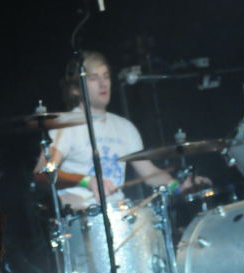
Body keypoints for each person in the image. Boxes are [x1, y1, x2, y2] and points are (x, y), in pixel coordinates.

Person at [33, 51, 210, 208]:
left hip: (119, 215)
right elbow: (42, 173)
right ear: (75, 90)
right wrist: (86, 181)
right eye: (93, 78)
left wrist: (178, 187)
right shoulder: (65, 127)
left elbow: (149, 173)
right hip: (82, 217)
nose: (103, 84)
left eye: (106, 76)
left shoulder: (125, 127)